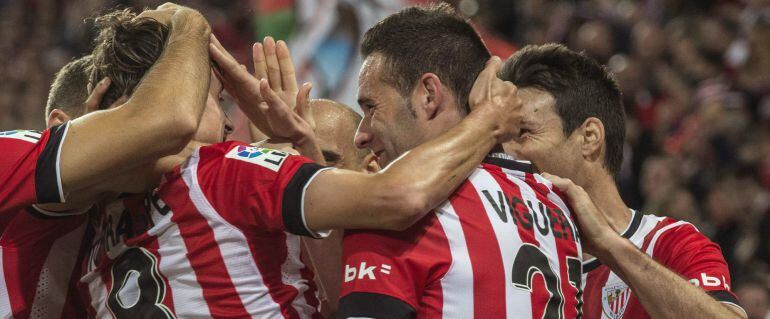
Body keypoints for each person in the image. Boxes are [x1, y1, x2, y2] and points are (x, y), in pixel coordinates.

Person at [76, 6, 523, 318]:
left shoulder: (86, 212)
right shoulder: (221, 170)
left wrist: (300, 142)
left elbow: (334, 295)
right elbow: (399, 195)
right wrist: (489, 119)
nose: (231, 123)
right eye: (217, 100)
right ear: (177, 106)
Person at [337, 4, 581, 318]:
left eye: (371, 108)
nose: (361, 134)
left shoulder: (392, 208)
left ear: (428, 95)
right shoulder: (554, 205)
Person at [499, 43, 747, 319]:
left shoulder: (669, 243)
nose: (507, 152)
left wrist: (609, 245)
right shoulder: (499, 256)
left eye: (523, 133)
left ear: (590, 137)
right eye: (501, 139)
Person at [0, 4, 213, 318]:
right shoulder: (8, 154)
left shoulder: (130, 209)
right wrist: (190, 24)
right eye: (125, 121)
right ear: (60, 126)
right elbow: (172, 122)